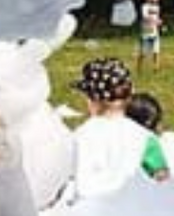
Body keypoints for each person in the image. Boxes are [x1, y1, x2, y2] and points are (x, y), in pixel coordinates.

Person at [68, 57, 166, 194]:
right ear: (130, 93)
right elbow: (162, 178)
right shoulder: (144, 137)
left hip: (88, 209)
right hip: (134, 209)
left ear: (92, 100)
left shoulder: (79, 136)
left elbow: (65, 177)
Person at [136, 0, 164, 71]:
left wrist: (159, 21)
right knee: (143, 52)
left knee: (156, 51)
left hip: (155, 33)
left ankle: (156, 67)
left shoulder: (157, 7)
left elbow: (156, 17)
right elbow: (145, 17)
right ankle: (139, 67)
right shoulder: (145, 7)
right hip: (146, 33)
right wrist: (154, 20)